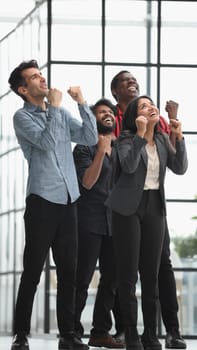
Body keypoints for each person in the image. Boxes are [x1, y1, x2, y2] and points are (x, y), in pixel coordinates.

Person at [8, 59, 98, 350]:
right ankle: (21, 335)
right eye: (35, 77)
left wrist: (82, 102)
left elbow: (90, 136)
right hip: (42, 202)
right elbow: (46, 144)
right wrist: (56, 108)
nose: (42, 79)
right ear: (24, 89)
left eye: (41, 74)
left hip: (69, 199)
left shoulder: (60, 111)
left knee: (69, 272)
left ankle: (68, 335)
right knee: (33, 270)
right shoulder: (21, 118)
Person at [110, 70, 187, 349]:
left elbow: (180, 168)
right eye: (144, 106)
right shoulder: (126, 140)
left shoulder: (164, 140)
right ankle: (131, 332)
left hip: (155, 205)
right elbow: (129, 167)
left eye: (151, 103)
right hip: (127, 208)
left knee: (151, 274)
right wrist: (142, 135)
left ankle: (151, 334)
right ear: (135, 116)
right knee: (128, 275)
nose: (151, 107)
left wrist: (180, 135)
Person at [73, 98, 124, 348]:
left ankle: (100, 331)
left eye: (110, 112)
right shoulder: (84, 147)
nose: (107, 114)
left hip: (115, 223)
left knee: (111, 279)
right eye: (101, 112)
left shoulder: (122, 148)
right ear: (92, 119)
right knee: (82, 278)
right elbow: (87, 182)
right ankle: (71, 332)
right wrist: (101, 150)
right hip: (89, 221)